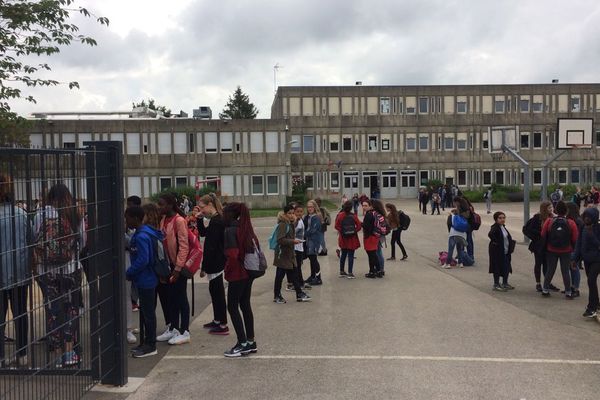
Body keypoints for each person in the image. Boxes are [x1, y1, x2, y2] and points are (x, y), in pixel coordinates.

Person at [34, 183, 83, 367]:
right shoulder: (75, 214)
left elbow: (35, 240)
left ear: (50, 197)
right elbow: (83, 240)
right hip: (71, 269)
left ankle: (56, 355)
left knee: (54, 311)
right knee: (71, 309)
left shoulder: (41, 214)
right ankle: (70, 352)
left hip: (47, 271)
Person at [0, 175, 30, 367]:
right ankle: (22, 354)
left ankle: (1, 356)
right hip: (20, 270)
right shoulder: (21, 214)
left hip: (1, 272)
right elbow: (32, 239)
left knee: (0, 315)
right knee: (20, 313)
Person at [125, 206, 163, 358]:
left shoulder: (141, 236)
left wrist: (129, 272)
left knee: (148, 314)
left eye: (127, 218)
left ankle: (151, 345)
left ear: (135, 218)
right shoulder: (144, 232)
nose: (126, 221)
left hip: (146, 279)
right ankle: (146, 342)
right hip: (145, 279)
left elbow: (143, 259)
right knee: (146, 313)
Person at [222, 202, 258, 357]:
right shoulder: (246, 229)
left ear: (231, 214)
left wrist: (227, 271)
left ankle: (242, 343)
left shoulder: (230, 231)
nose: (223, 215)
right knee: (245, 305)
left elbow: (232, 255)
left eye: (225, 212)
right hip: (249, 272)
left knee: (232, 306)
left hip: (237, 273)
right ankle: (250, 341)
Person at [156, 193, 191, 345]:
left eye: (162, 204)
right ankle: (173, 327)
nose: (159, 207)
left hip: (177, 266)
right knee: (171, 298)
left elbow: (184, 246)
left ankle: (185, 331)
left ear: (170, 205)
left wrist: (177, 269)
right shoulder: (163, 220)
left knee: (181, 297)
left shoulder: (179, 221)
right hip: (167, 265)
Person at [196, 193, 229, 335]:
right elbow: (204, 234)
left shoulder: (217, 221)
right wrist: (199, 219)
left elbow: (211, 247)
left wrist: (204, 266)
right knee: (214, 291)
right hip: (216, 260)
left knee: (218, 292)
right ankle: (217, 319)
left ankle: (223, 324)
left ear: (210, 205)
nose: (201, 210)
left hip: (216, 261)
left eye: (202, 207)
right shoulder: (215, 220)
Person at [273, 205, 310, 304]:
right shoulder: (283, 224)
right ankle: (277, 296)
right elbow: (280, 240)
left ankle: (299, 294)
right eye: (289, 213)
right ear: (285, 214)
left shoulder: (290, 223)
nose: (291, 215)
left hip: (289, 254)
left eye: (292, 213)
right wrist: (293, 241)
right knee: (280, 276)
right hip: (283, 255)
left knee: (293, 274)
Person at [540, 201, 579, 298]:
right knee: (565, 271)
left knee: (550, 270)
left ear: (556, 210)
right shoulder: (571, 222)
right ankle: (568, 292)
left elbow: (543, 234)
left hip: (551, 250)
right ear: (566, 211)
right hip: (566, 250)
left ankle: (545, 290)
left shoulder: (550, 221)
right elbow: (575, 238)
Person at [523, 201, 558, 292]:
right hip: (538, 245)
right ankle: (538, 283)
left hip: (548, 245)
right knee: (538, 264)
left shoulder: (554, 217)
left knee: (547, 265)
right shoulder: (537, 217)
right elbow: (529, 229)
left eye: (552, 207)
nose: (551, 209)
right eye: (549, 208)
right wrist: (541, 235)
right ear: (544, 209)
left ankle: (547, 282)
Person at [572, 207, 600, 318]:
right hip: (587, 260)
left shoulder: (598, 228)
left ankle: (591, 307)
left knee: (591, 280)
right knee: (591, 283)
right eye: (585, 217)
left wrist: (591, 234)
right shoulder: (583, 227)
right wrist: (575, 259)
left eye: (589, 217)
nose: (586, 219)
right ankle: (596, 303)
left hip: (597, 260)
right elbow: (579, 244)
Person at [488, 212, 516, 291]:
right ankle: (496, 284)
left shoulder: (503, 227)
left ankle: (505, 283)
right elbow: (490, 234)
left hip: (505, 251)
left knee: (506, 267)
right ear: (496, 219)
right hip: (497, 252)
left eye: (503, 218)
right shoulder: (495, 227)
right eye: (500, 218)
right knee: (497, 267)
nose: (502, 219)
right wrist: (496, 242)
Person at [335, 201, 361, 278]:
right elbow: (359, 226)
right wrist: (353, 231)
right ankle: (350, 272)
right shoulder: (353, 216)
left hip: (343, 238)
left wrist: (342, 232)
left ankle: (342, 271)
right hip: (352, 238)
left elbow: (336, 226)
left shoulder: (340, 215)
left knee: (343, 255)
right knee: (351, 255)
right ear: (351, 208)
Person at [289, 204, 310, 290]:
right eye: (297, 211)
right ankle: (295, 283)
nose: (299, 213)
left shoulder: (301, 220)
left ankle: (301, 282)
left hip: (300, 246)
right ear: (294, 212)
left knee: (298, 266)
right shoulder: (295, 221)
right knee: (296, 267)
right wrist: (295, 221)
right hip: (295, 247)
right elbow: (292, 229)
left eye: (301, 212)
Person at [304, 200, 323, 285]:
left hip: (314, 241)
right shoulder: (307, 217)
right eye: (308, 207)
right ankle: (312, 276)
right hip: (308, 240)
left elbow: (313, 230)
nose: (309, 208)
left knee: (314, 259)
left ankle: (318, 278)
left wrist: (303, 234)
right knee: (311, 259)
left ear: (315, 207)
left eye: (311, 207)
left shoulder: (317, 217)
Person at [361, 200, 382, 278]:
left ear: (370, 206)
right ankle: (379, 271)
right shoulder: (374, 213)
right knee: (373, 254)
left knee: (371, 255)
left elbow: (366, 226)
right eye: (363, 205)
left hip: (370, 236)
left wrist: (360, 223)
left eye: (366, 205)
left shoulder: (369, 214)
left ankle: (372, 272)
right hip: (374, 236)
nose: (364, 207)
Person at [566, 202, 583, 297]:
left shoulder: (576, 221)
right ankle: (573, 287)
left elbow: (577, 237)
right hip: (572, 248)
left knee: (574, 268)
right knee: (571, 268)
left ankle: (576, 288)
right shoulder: (577, 220)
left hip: (574, 248)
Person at [372, 199, 388, 275]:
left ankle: (380, 269)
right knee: (378, 252)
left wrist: (376, 234)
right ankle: (380, 268)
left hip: (378, 236)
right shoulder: (381, 214)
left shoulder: (377, 215)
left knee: (378, 252)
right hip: (380, 235)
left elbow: (380, 227)